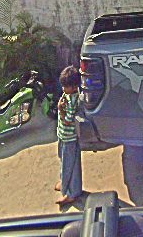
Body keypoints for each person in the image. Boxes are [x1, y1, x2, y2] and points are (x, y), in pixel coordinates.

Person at [55, 65, 82, 205]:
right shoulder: (68, 94)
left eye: (66, 87)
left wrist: (60, 109)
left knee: (70, 165)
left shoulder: (73, 100)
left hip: (70, 138)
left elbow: (68, 120)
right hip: (63, 135)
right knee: (63, 160)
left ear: (74, 87)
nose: (64, 89)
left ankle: (72, 192)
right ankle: (64, 182)